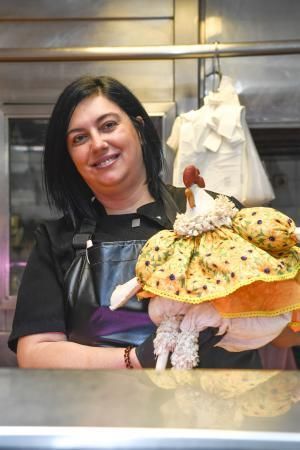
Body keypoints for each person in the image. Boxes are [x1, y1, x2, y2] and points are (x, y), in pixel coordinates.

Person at [8, 76, 299, 369]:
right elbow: (35, 353)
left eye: (109, 125)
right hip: (106, 409)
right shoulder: (56, 239)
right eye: (79, 138)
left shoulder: (214, 214)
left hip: (226, 410)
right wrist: (134, 359)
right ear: (70, 157)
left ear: (139, 127)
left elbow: (283, 330)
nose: (98, 144)